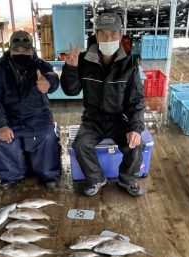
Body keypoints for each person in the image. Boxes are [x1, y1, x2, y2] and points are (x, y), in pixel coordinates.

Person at [61, 12, 145, 197]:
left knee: (137, 144)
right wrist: (71, 68)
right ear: (96, 35)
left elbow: (136, 100)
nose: (108, 38)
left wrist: (135, 128)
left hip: (119, 120)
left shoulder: (130, 64)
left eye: (113, 33)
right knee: (80, 144)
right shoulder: (83, 59)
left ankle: (128, 178)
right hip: (92, 119)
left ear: (121, 35)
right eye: (103, 34)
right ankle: (96, 178)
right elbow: (71, 91)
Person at [0, 30, 61, 190]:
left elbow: (52, 76)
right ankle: (11, 175)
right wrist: (0, 124)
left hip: (38, 117)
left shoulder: (40, 64)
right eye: (17, 50)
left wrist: (48, 84)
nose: (21, 53)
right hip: (10, 118)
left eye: (25, 50)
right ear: (10, 49)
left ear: (32, 49)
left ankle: (48, 174)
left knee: (47, 135)